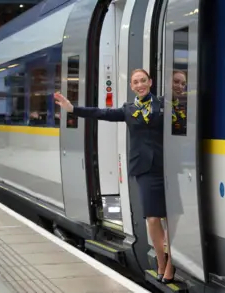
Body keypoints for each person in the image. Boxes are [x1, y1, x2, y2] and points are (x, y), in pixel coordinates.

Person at [54, 68, 176, 284]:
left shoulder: (164, 105)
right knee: (153, 218)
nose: (140, 85)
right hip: (145, 170)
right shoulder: (128, 109)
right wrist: (72, 108)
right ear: (131, 86)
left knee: (172, 219)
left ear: (151, 82)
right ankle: (160, 260)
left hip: (167, 166)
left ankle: (172, 263)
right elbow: (101, 113)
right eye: (135, 82)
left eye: (143, 81)